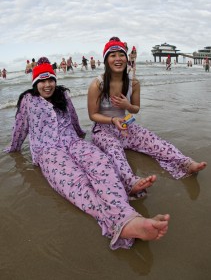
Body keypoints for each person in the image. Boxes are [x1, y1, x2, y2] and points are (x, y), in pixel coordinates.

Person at [4, 57, 170, 250]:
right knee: (76, 181)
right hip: (48, 151)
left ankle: (127, 216)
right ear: (35, 82)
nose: (47, 85)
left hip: (73, 142)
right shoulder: (27, 101)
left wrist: (82, 138)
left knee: (102, 163)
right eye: (42, 80)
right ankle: (125, 221)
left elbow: (74, 118)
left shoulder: (63, 95)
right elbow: (20, 129)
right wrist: (13, 149)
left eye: (51, 79)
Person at [87, 37, 207, 188]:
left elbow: (135, 109)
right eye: (113, 55)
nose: (118, 59)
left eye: (121, 54)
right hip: (103, 128)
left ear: (126, 57)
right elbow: (93, 115)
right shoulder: (97, 84)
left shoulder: (134, 83)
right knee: (114, 151)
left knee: (153, 140)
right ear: (106, 60)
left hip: (125, 125)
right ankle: (131, 182)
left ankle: (185, 163)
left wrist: (127, 105)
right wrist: (112, 120)